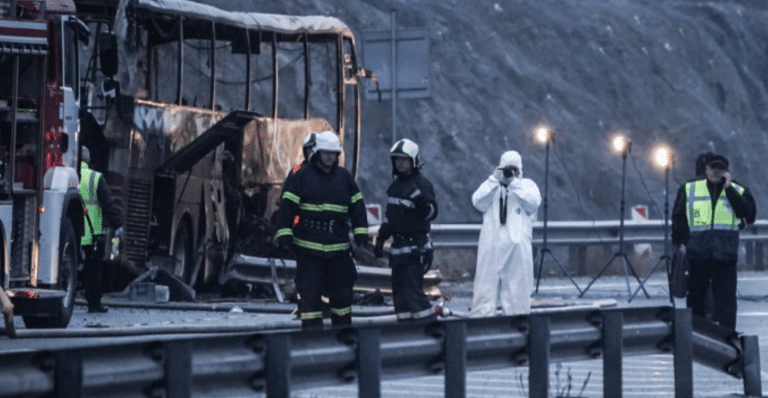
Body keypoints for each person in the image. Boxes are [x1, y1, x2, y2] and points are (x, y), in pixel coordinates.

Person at [274, 131, 368, 329]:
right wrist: (284, 232)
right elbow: (287, 206)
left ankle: (343, 333)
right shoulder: (300, 174)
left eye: (334, 153)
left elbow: (357, 205)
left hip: (338, 247)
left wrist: (361, 232)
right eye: (326, 153)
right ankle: (312, 339)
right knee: (310, 294)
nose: (330, 157)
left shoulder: (344, 177)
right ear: (316, 152)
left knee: (342, 293)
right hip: (308, 248)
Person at [671, 153, 756, 329]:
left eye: (720, 169)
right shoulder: (689, 188)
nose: (716, 172)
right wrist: (686, 242)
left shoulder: (737, 190)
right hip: (698, 255)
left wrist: (729, 189)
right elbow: (679, 218)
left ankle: (727, 342)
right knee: (695, 300)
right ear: (706, 170)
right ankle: (696, 338)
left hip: (725, 256)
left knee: (726, 302)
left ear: (726, 172)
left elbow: (749, 214)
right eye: (713, 168)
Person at [374, 138, 439, 322]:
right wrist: (381, 238)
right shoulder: (396, 186)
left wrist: (422, 204)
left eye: (404, 159)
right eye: (397, 159)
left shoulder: (421, 184)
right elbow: (390, 217)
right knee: (399, 295)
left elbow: (431, 213)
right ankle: (405, 335)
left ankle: (432, 330)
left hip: (415, 248)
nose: (400, 163)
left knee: (412, 292)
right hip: (398, 250)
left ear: (414, 161)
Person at [470, 150, 541, 317]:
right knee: (485, 288)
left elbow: (534, 203)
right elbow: (477, 201)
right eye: (507, 169)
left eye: (514, 169)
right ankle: (481, 323)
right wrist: (494, 180)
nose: (510, 173)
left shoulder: (527, 186)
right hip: (491, 244)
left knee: (517, 291)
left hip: (517, 247)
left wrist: (514, 184)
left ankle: (518, 324)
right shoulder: (492, 186)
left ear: (520, 170)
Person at [80, 146, 123, 313]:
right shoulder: (95, 177)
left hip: (73, 231)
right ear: (88, 160)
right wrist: (118, 224)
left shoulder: (66, 174)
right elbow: (108, 205)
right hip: (92, 231)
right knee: (94, 267)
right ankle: (93, 303)